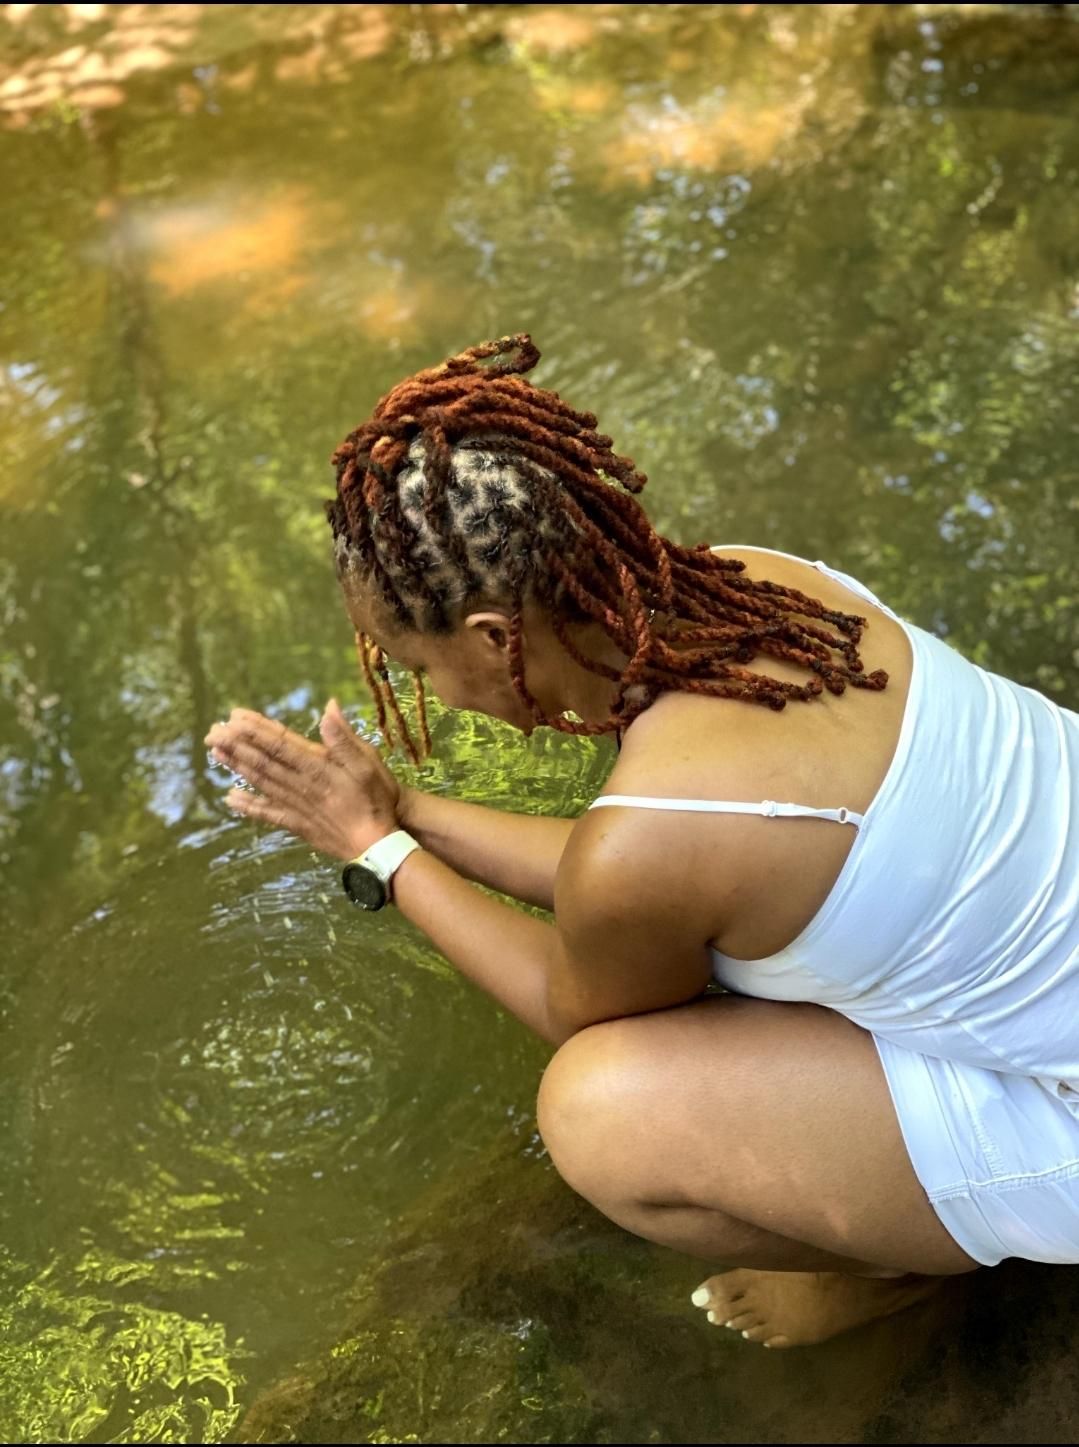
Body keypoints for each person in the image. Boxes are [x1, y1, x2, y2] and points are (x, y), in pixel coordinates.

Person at [205, 335, 1079, 1349]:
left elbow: (571, 992)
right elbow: (639, 868)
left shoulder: (656, 844)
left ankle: (888, 1267)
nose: (426, 695)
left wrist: (377, 852)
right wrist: (402, 807)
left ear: (494, 638)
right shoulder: (763, 587)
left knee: (598, 1113)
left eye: (416, 665)